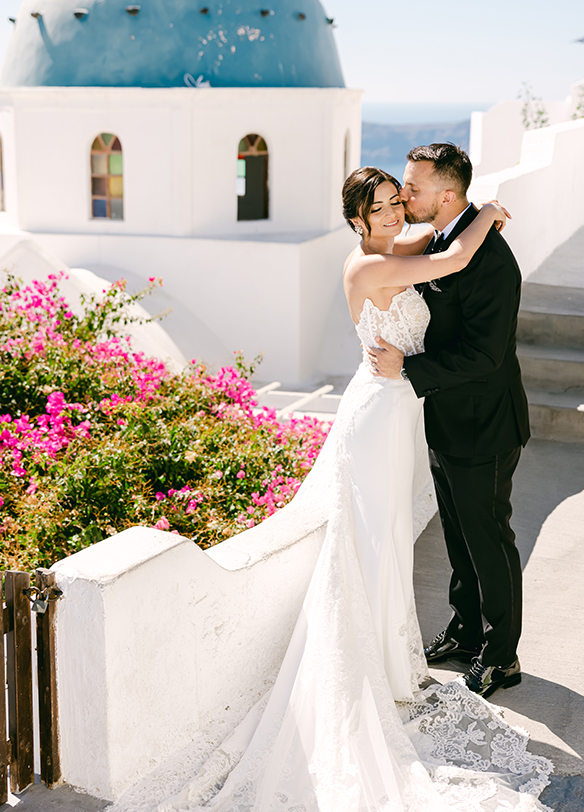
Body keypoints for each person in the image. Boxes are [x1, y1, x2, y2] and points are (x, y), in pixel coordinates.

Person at [154, 168, 551, 812]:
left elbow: (437, 239)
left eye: (399, 199)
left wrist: (465, 216)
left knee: (393, 535)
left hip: (404, 410)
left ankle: (403, 656)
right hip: (379, 415)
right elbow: (450, 256)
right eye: (380, 206)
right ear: (355, 220)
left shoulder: (394, 245)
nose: (395, 211)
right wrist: (488, 212)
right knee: (375, 538)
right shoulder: (368, 265)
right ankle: (375, 665)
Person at [367, 144, 529, 700]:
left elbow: (485, 355)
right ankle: (465, 631)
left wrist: (408, 370)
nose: (403, 195)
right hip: (444, 417)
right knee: (459, 537)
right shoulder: (441, 239)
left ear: (448, 194)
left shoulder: (494, 261)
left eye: (413, 188)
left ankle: (502, 656)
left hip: (486, 426)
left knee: (489, 540)